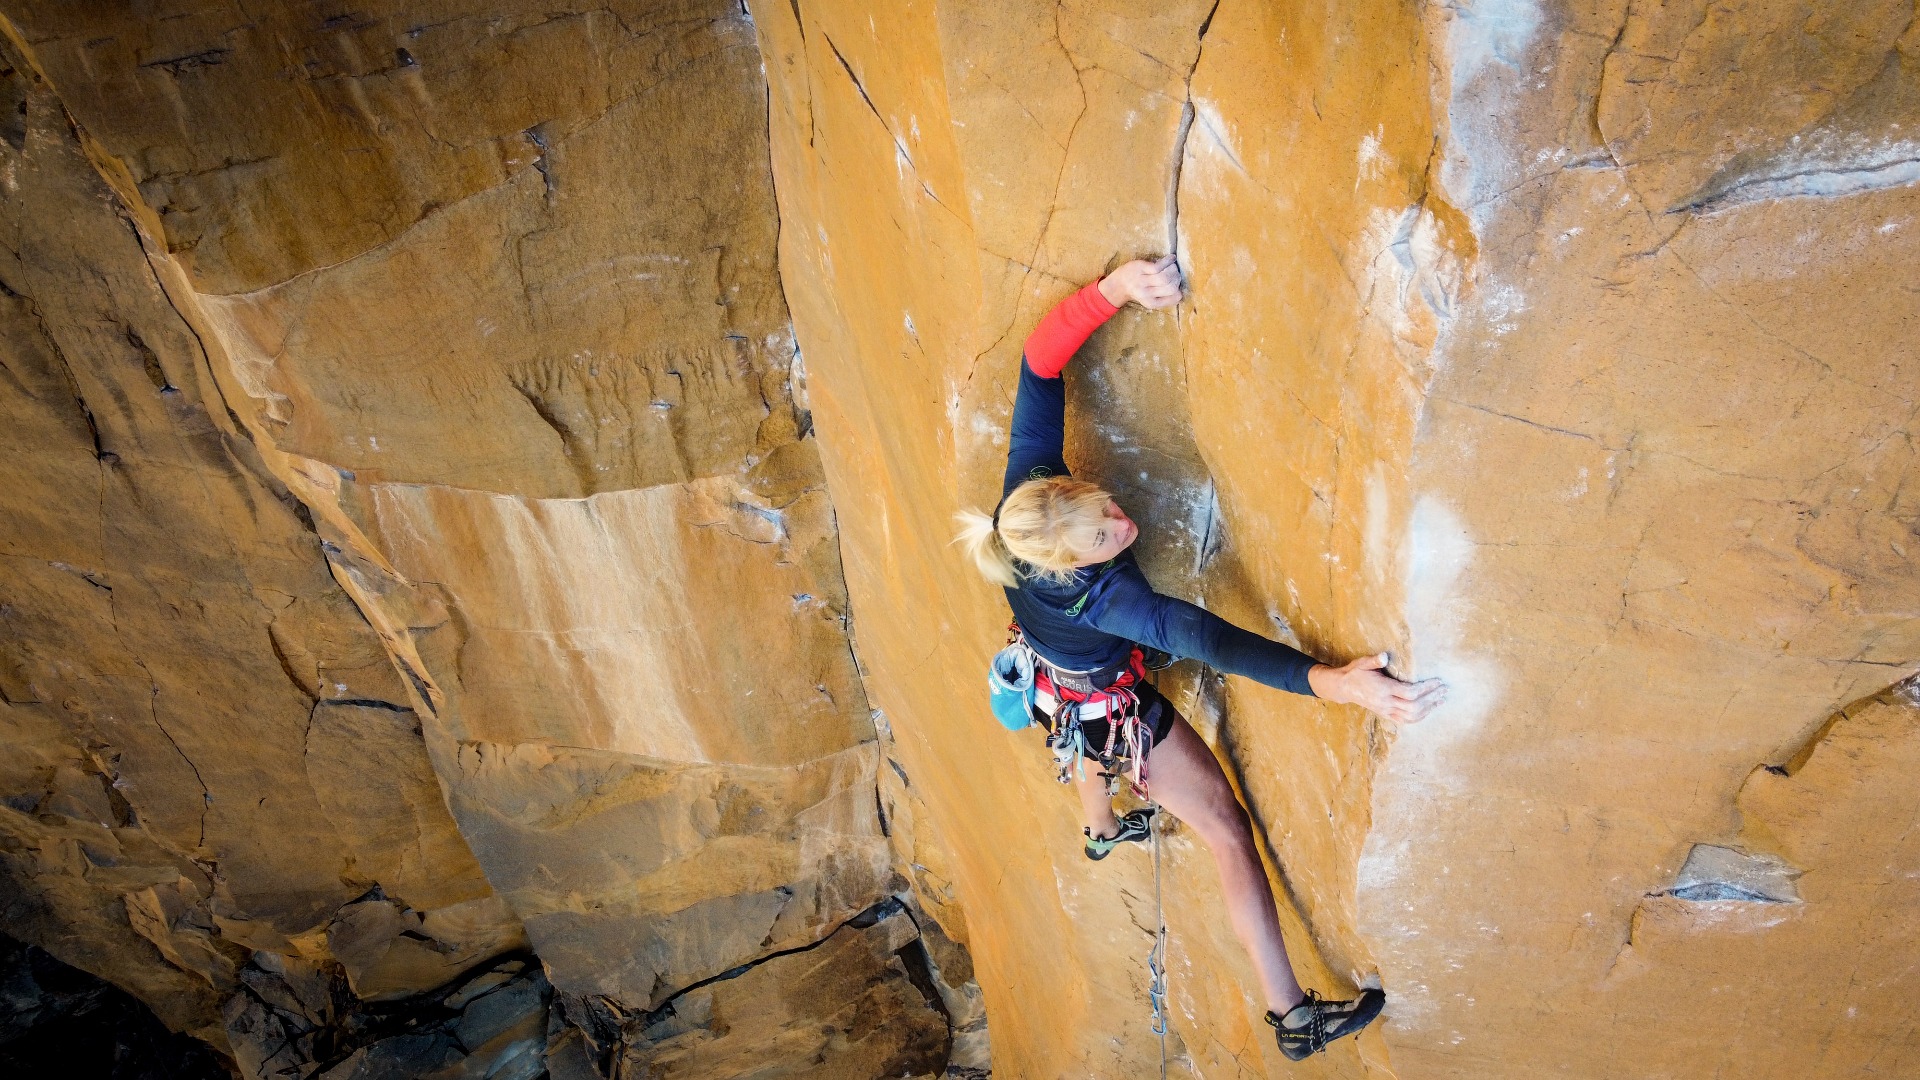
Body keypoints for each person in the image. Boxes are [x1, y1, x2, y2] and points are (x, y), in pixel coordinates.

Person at [954, 256, 1447, 1061]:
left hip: (1051, 677)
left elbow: (1039, 363)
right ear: (1071, 564)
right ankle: (1293, 1017)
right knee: (1224, 828)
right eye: (1104, 537)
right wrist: (1332, 683)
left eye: (1103, 508)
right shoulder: (1113, 602)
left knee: (1078, 728)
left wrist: (1113, 292)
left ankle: (1101, 829)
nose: (1122, 525)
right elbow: (1213, 640)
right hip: (1110, 703)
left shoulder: (1026, 506)